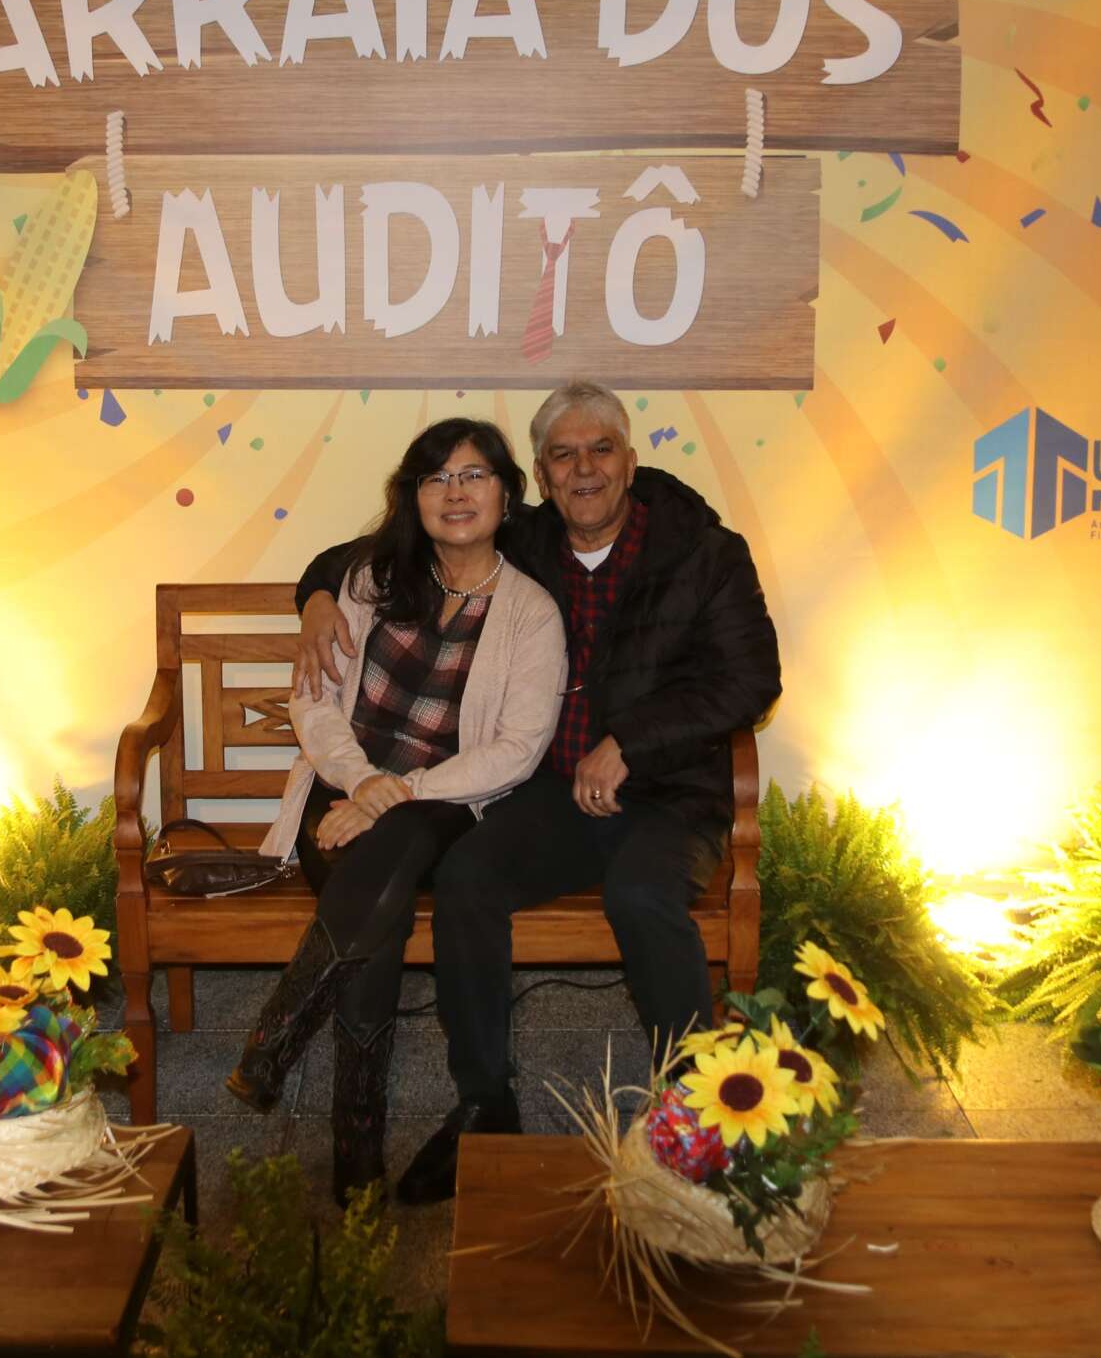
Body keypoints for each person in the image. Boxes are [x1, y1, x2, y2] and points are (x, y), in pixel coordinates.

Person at [294, 382, 781, 1204]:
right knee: (469, 876)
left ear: (630, 460)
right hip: (558, 791)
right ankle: (485, 1104)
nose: (584, 468)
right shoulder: (529, 535)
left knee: (641, 896)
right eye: (563, 454)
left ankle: (694, 1119)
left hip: (671, 793)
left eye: (600, 449)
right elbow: (385, 539)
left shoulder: (705, 552)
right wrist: (313, 596)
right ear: (544, 477)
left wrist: (633, 743)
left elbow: (752, 676)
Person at [230, 417, 566, 1205]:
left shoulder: (531, 612)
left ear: (507, 495)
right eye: (436, 477)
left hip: (443, 800)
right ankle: (356, 1143)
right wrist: (360, 780)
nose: (456, 492)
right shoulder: (369, 582)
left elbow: (517, 749)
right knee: (375, 902)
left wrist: (403, 789)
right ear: (412, 496)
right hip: (343, 793)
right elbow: (312, 701)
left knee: (395, 842)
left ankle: (288, 1051)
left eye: (475, 475)